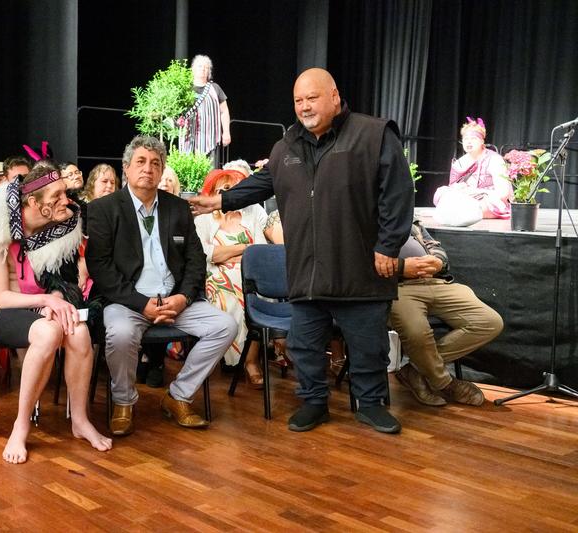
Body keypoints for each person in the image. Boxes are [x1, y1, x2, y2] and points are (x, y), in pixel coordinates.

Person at [189, 68, 414, 434]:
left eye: (312, 98)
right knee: (305, 345)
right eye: (298, 101)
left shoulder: (373, 134)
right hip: (308, 270)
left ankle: (370, 404)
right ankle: (314, 402)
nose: (305, 106)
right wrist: (220, 199)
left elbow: (398, 193)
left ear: (335, 97)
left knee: (369, 346)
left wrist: (388, 245)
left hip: (359, 268)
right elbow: (262, 183)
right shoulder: (287, 147)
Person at [0, 162, 112, 463]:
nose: (66, 200)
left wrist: (55, 297)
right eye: (57, 195)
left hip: (38, 305)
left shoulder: (59, 229)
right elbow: (0, 296)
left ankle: (80, 420)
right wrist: (47, 302)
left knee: (79, 332)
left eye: (65, 193)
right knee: (48, 332)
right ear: (34, 202)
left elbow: (61, 281)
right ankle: (20, 424)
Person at [86, 135, 237, 436]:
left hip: (175, 300)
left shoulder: (177, 208)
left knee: (225, 326)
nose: (148, 169)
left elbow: (196, 260)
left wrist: (182, 298)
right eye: (140, 162)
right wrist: (142, 303)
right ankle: (124, 401)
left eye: (156, 163)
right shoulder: (104, 209)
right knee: (120, 332)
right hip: (128, 301)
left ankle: (178, 396)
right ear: (126, 168)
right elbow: (100, 268)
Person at [391, 219, 502, 407]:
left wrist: (437, 261)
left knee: (490, 322)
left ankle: (416, 370)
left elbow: (434, 245)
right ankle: (446, 384)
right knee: (417, 331)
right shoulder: (363, 219)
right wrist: (401, 267)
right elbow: (360, 263)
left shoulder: (408, 219)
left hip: (435, 281)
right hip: (398, 287)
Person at [193, 169, 269, 387]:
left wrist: (230, 252)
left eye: (234, 189)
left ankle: (251, 361)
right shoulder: (205, 220)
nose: (229, 193)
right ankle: (228, 357)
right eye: (223, 190)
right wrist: (244, 247)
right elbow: (208, 254)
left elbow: (261, 250)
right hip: (216, 275)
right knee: (226, 290)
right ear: (214, 194)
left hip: (249, 273)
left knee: (260, 294)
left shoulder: (251, 214)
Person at [433, 117, 512, 219]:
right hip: (465, 198)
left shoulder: (494, 160)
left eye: (473, 139)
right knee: (441, 192)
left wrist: (474, 191)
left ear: (482, 141)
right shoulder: (460, 162)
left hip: (488, 201)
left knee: (472, 207)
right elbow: (452, 187)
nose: (469, 142)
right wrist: (458, 189)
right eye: (466, 139)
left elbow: (503, 193)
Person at [179, 55, 231, 167]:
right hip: (189, 137)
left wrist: (226, 132)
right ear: (193, 69)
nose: (203, 69)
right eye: (200, 66)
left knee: (210, 172)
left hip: (210, 138)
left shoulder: (215, 88)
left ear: (209, 71)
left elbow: (224, 111)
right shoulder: (185, 88)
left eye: (206, 67)